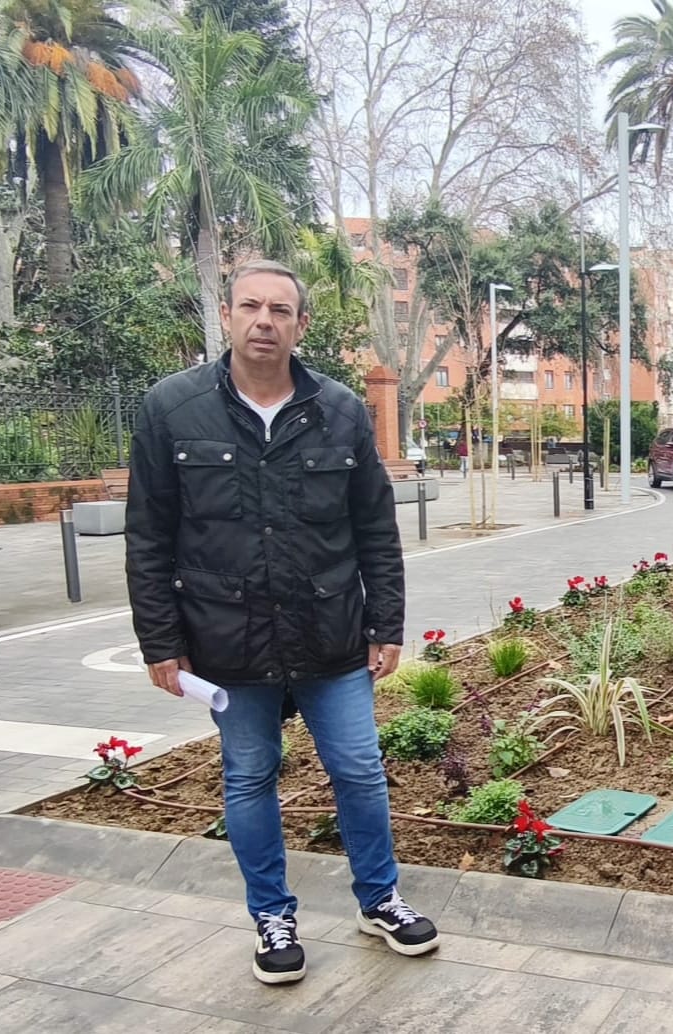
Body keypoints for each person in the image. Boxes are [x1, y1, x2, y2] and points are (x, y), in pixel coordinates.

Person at [126, 259, 437, 987]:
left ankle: (379, 900)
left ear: (300, 325)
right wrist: (161, 642)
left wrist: (386, 623)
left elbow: (375, 529)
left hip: (330, 632)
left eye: (280, 310)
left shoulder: (341, 410)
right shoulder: (172, 409)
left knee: (359, 768)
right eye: (250, 307)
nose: (264, 321)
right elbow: (149, 535)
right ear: (227, 316)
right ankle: (272, 917)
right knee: (248, 775)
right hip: (226, 639)